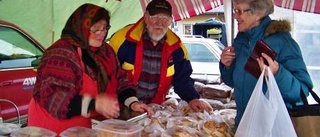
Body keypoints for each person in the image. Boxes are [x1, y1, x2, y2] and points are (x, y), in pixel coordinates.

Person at [27, 3, 136, 134]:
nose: (102, 33)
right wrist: (96, 104)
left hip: (82, 128)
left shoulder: (105, 51)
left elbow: (120, 78)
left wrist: (132, 102)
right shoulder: (60, 54)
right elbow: (56, 101)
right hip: (51, 127)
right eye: (95, 28)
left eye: (105, 27)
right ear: (80, 27)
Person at [219, 0, 314, 131]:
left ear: (258, 13)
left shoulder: (283, 42)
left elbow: (301, 91)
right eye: (235, 10)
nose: (235, 16)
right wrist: (226, 66)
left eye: (240, 11)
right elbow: (232, 82)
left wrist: (277, 73)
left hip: (272, 129)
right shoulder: (240, 40)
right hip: (243, 125)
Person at [109, 0, 212, 114]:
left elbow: (182, 78)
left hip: (153, 111)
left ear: (170, 21)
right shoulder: (123, 39)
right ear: (146, 17)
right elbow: (109, 75)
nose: (159, 23)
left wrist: (192, 98)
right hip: (121, 108)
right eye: (155, 17)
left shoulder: (177, 47)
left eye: (164, 18)